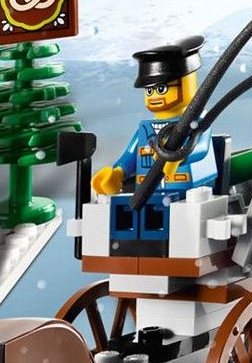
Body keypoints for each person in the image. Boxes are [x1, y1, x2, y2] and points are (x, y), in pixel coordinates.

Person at [92, 36, 216, 248]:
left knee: (181, 223)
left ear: (187, 84)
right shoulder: (145, 129)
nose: (154, 96)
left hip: (189, 193)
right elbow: (131, 155)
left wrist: (180, 156)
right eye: (150, 90)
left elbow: (201, 148)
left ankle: (176, 244)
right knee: (135, 219)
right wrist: (118, 174)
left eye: (161, 89)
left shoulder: (198, 122)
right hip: (149, 193)